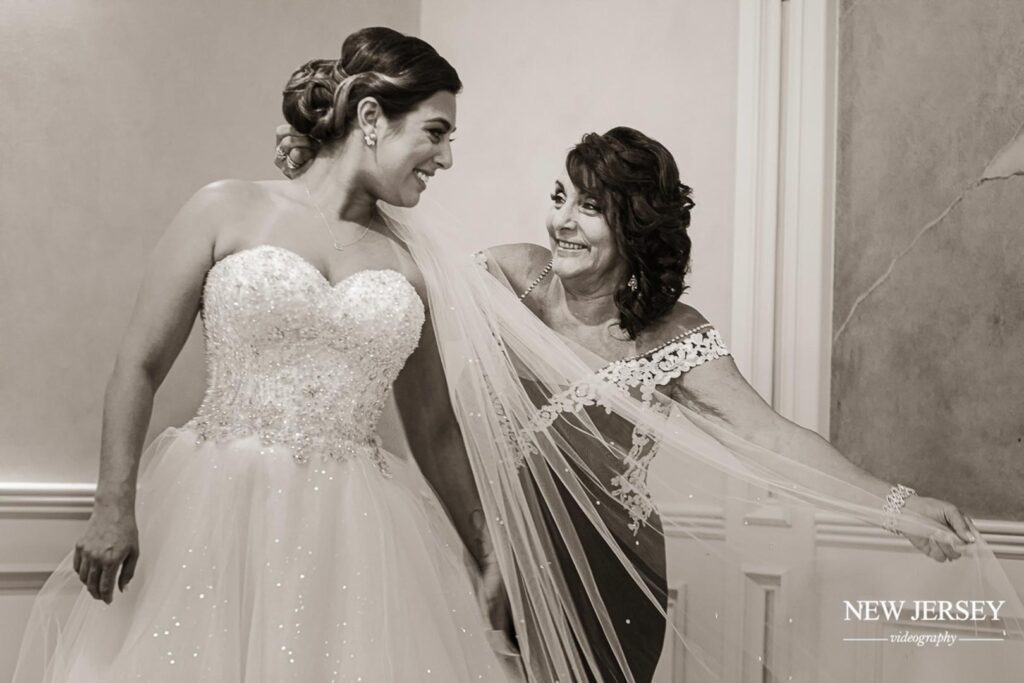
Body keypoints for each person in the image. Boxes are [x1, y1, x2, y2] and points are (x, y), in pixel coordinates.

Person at [275, 125, 1021, 682]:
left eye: (590, 208)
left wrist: (896, 504)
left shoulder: (671, 335)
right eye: (560, 197)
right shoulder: (511, 281)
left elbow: (770, 435)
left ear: (634, 226)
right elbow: (394, 268)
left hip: (611, 571)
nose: (562, 221)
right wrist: (326, 160)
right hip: (488, 551)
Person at [15, 27, 521, 682]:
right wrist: (113, 502)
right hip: (214, 511)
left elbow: (434, 427)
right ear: (371, 117)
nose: (446, 157)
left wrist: (487, 553)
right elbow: (137, 363)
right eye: (436, 131)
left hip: (354, 534)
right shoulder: (226, 208)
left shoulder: (409, 261)